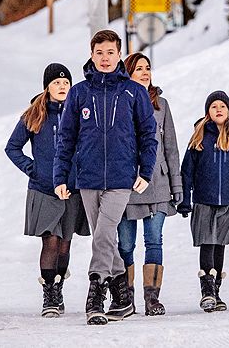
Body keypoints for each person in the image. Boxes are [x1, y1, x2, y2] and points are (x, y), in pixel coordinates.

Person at [53, 30, 158, 325]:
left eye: (110, 52)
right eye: (99, 53)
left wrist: (145, 171)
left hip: (121, 178)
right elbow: (66, 138)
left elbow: (149, 136)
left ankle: (96, 291)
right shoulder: (79, 93)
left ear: (119, 54)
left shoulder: (133, 92)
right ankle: (123, 296)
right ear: (92, 54)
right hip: (87, 178)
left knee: (103, 233)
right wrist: (60, 177)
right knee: (106, 238)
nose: (105, 58)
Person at [5, 63, 90, 318]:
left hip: (73, 189)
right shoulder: (34, 115)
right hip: (43, 190)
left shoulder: (80, 114)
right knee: (50, 241)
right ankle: (49, 293)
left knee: (65, 244)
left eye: (66, 83)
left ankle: (59, 286)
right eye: (56, 83)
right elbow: (12, 148)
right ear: (47, 87)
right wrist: (34, 169)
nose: (62, 87)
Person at [116, 52, 183, 316]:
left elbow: (172, 148)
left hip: (158, 184)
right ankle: (126, 297)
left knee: (154, 241)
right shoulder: (119, 102)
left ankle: (152, 298)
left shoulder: (162, 104)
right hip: (126, 184)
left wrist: (177, 185)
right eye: (139, 68)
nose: (145, 73)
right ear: (128, 73)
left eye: (148, 68)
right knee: (125, 245)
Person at [178, 91, 229, 312]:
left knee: (220, 244)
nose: (218, 109)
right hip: (203, 201)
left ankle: (217, 291)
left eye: (222, 106)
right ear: (207, 112)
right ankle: (207, 291)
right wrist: (185, 200)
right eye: (213, 106)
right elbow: (187, 171)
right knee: (207, 243)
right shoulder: (200, 136)